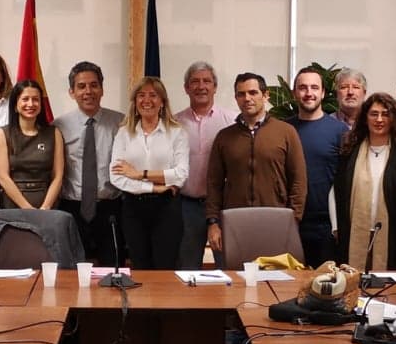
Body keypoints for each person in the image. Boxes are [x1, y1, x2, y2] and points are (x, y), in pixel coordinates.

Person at [204, 73, 307, 260]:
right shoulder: (224, 137)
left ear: (265, 95)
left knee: (274, 281)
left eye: (253, 92)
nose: (247, 99)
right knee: (233, 282)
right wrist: (213, 223)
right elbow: (213, 183)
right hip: (235, 222)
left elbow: (298, 180)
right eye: (241, 94)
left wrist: (293, 219)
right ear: (236, 98)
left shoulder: (286, 133)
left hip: (276, 221)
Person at [333, 93, 396, 271]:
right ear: (365, 118)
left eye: (385, 114)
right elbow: (338, 192)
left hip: (392, 235)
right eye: (374, 114)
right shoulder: (350, 151)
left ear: (394, 118)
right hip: (355, 231)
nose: (379, 119)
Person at [109, 77, 188, 270]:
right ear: (135, 102)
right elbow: (116, 176)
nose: (147, 100)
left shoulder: (177, 132)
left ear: (162, 102)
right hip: (133, 209)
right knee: (140, 266)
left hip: (167, 208)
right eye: (141, 95)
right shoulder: (124, 133)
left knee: (165, 266)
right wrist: (155, 187)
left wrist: (139, 174)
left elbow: (181, 174)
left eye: (153, 95)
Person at [54, 62, 126, 266]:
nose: (88, 91)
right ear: (72, 92)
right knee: (71, 272)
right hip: (71, 209)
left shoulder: (121, 123)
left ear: (102, 89)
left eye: (94, 85)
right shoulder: (59, 126)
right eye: (81, 86)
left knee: (113, 269)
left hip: (110, 208)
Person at [173, 62, 237, 269]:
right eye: (195, 82)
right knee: (186, 267)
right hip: (187, 206)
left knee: (227, 267)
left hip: (222, 206)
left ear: (215, 87)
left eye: (207, 81)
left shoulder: (232, 121)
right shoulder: (174, 123)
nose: (201, 86)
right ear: (186, 88)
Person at [286, 66, 348, 267]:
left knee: (326, 288)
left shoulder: (340, 131)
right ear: (295, 92)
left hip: (327, 226)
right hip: (290, 222)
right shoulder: (284, 130)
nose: (309, 93)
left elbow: (346, 179)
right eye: (303, 88)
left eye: (314, 87)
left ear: (322, 93)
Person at [0, 80, 64, 210]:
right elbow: (3, 177)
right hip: (13, 206)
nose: (31, 104)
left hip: (47, 207)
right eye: (25, 99)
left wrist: (46, 207)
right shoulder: (2, 134)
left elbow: (58, 176)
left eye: (35, 99)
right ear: (15, 105)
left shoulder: (54, 133)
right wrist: (27, 209)